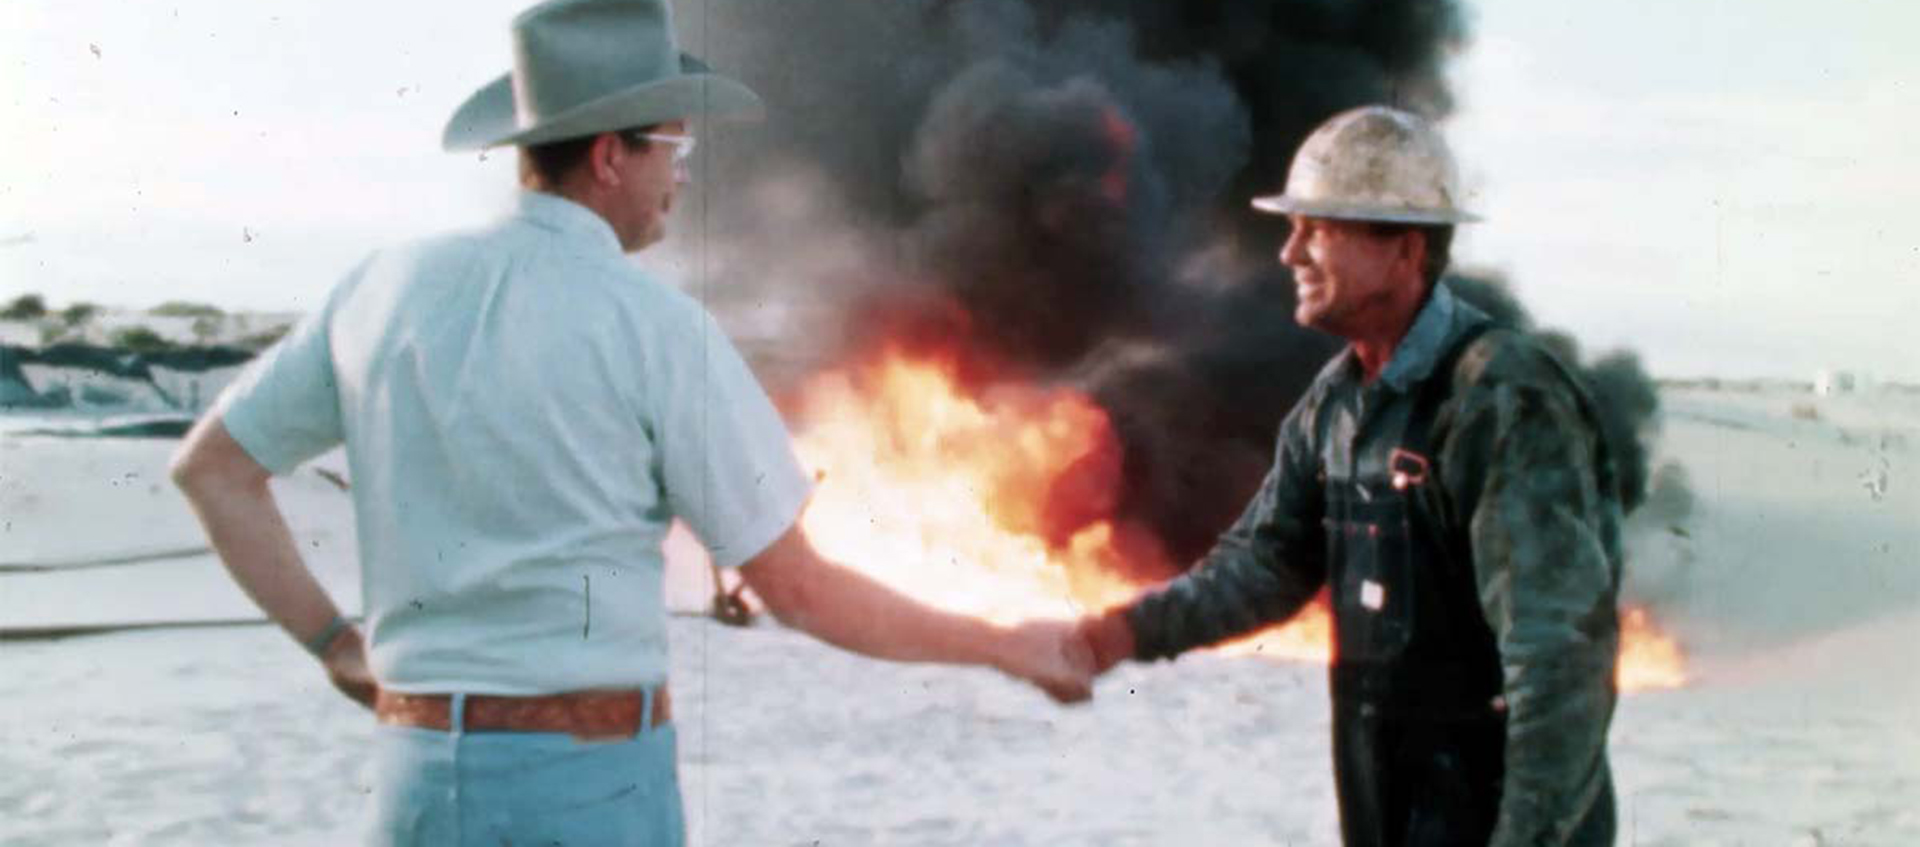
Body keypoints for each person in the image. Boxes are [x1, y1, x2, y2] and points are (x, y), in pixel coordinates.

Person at [168, 1, 1093, 844]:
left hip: (413, 785)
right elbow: (802, 591)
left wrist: (336, 644)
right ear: (612, 154)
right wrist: (1005, 645)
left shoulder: (383, 288)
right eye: (674, 152)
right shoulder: (654, 330)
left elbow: (212, 471)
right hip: (589, 788)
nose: (681, 180)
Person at [1074, 105, 1623, 846]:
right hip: (1391, 810)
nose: (1289, 252)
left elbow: (1558, 658)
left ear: (1404, 249)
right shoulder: (1335, 404)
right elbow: (1264, 565)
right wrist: (1126, 630)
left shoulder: (1499, 397)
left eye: (1319, 228)